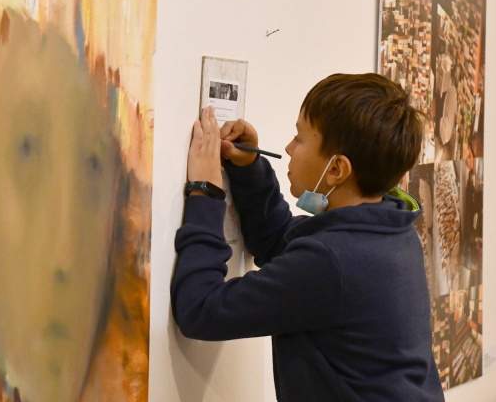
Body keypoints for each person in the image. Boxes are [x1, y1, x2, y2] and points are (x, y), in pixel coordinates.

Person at [171, 73, 444, 401]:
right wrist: (248, 167)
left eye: (299, 138)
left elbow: (200, 310)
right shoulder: (390, 232)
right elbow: (279, 242)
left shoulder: (333, 260)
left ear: (336, 169)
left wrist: (205, 193)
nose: (288, 148)